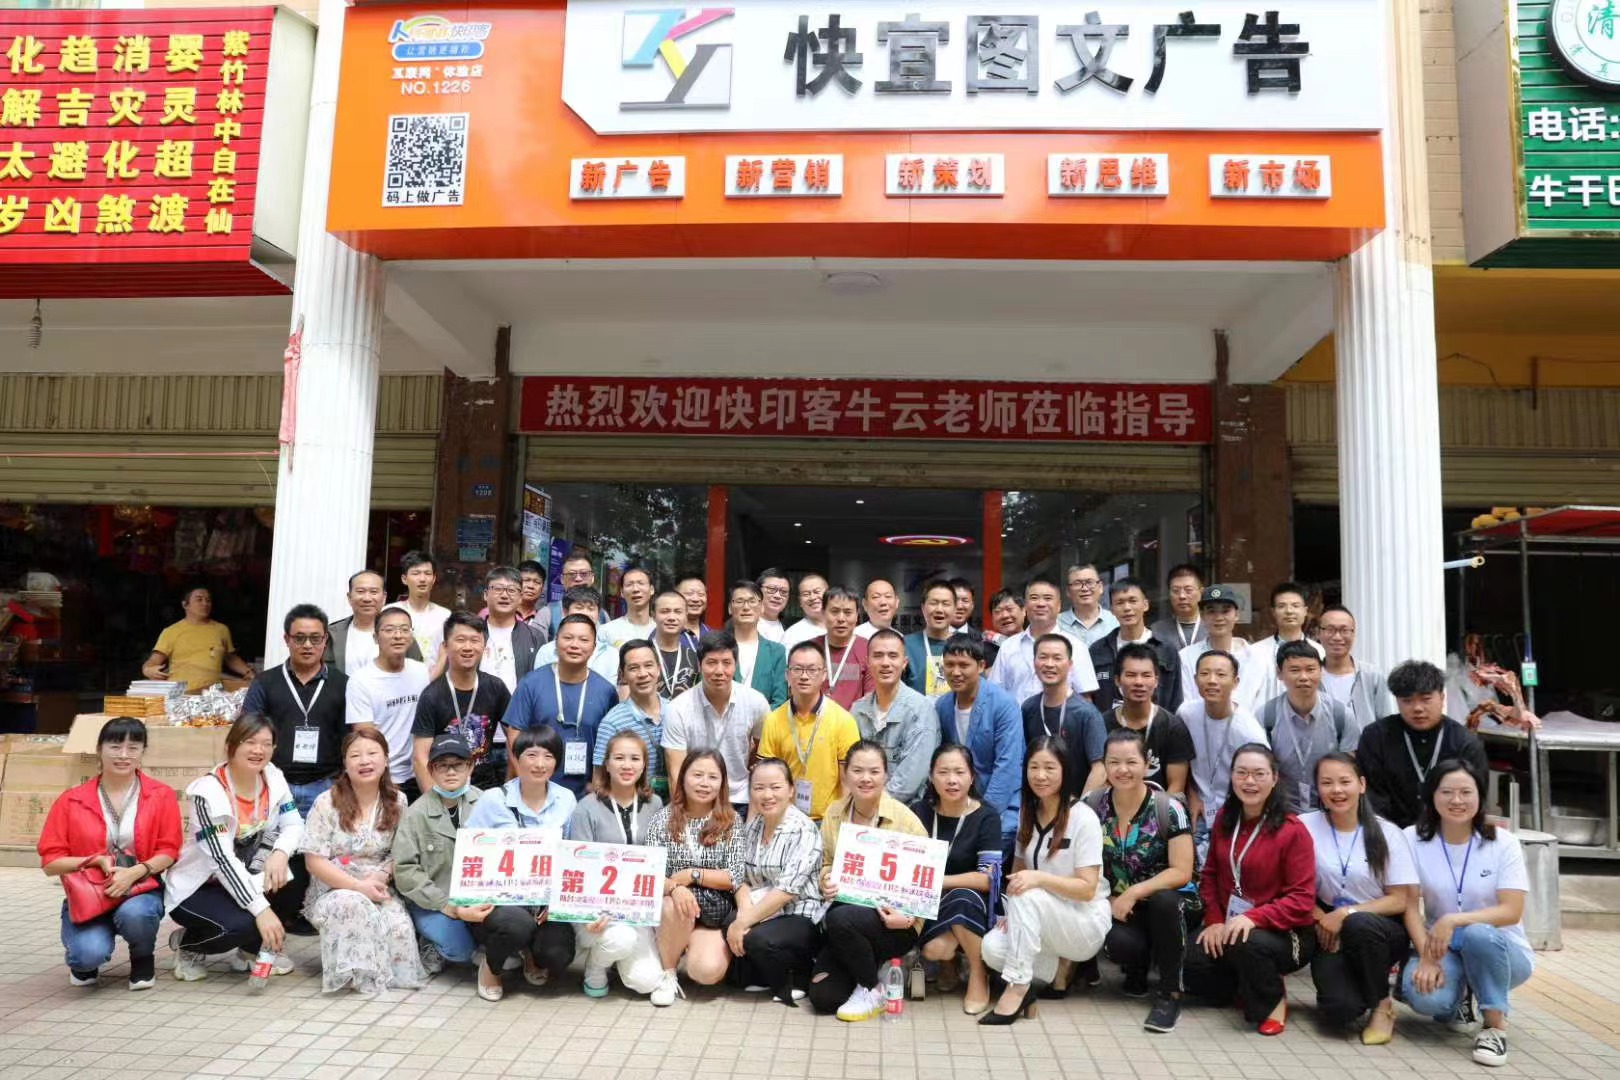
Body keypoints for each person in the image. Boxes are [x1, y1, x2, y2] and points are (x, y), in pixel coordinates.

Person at [1400, 761, 1535, 1068]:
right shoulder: (1412, 838)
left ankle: (1494, 1027)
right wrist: (1426, 955)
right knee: (1426, 998)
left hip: (1500, 949)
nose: (1456, 800)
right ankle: (1459, 997)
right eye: (1447, 792)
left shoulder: (1503, 843)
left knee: (1478, 933)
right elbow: (1408, 905)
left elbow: (1512, 911)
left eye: (1465, 792)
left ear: (1480, 796)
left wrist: (1453, 919)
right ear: (1432, 796)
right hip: (1442, 946)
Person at [1183, 743, 1316, 1035]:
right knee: (1191, 961)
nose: (1250, 781)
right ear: (1231, 777)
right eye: (1241, 773)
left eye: (1259, 774)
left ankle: (1272, 1001)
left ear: (1275, 778)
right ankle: (1246, 983)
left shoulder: (1293, 830)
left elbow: (1302, 900)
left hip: (1286, 933)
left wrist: (1253, 918)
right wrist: (1215, 921)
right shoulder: (1226, 818)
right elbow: (1210, 875)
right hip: (1231, 924)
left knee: (1247, 941)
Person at [38, 717, 180, 990]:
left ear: (143, 752)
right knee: (85, 957)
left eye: (133, 747)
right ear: (99, 749)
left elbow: (169, 850)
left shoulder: (160, 795)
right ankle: (85, 959)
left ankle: (142, 958)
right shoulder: (71, 800)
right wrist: (92, 860)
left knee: (137, 914)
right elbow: (50, 862)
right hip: (90, 893)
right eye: (115, 746)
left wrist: (135, 872)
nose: (123, 755)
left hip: (139, 888)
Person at [980, 738, 1112, 1025]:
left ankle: (1018, 987)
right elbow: (1017, 871)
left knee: (1028, 894)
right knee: (991, 947)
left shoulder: (1083, 818)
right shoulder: (1028, 812)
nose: (1040, 775)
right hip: (1040, 918)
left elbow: (1087, 889)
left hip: (1084, 921)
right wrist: (1010, 914)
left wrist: (1038, 878)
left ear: (1065, 771)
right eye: (1034, 767)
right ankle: (1058, 969)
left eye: (1050, 768)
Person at [166, 713, 305, 981]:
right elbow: (222, 861)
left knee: (298, 870)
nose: (258, 750)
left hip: (248, 875)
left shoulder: (273, 777)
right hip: (201, 887)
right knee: (244, 924)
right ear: (231, 745)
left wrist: (279, 853)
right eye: (250, 742)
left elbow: (294, 824)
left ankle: (250, 950)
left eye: (266, 744)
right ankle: (189, 944)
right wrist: (262, 910)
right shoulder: (207, 793)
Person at [808, 741, 927, 1020]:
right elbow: (826, 862)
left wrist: (909, 916)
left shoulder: (906, 821)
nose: (866, 778)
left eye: (874, 771)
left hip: (894, 923)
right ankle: (873, 968)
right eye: (858, 770)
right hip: (845, 919)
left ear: (886, 775)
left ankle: (873, 990)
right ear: (845, 774)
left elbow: (925, 881)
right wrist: (827, 879)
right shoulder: (834, 813)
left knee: (840, 919)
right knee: (824, 998)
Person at [1302, 753, 1416, 1044]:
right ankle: (1360, 990)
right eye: (1327, 783)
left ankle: (1382, 1005)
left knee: (1359, 924)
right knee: (1339, 1010)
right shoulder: (1304, 825)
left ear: (1362, 785)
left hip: (1379, 926)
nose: (1337, 790)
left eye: (1345, 781)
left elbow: (1399, 900)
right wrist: (1321, 918)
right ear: (1318, 788)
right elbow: (1291, 886)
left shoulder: (1388, 833)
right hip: (1325, 922)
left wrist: (1345, 914)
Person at [298, 729, 423, 995]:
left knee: (397, 926)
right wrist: (357, 886)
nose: (364, 761)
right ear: (345, 763)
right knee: (353, 906)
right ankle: (357, 976)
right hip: (335, 886)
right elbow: (314, 861)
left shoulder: (398, 800)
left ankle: (384, 976)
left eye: (372, 753)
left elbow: (401, 851)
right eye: (355, 755)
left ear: (386, 759)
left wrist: (382, 876)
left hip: (378, 884)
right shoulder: (326, 803)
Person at [1090, 728, 1197, 1033]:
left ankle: (1170, 994)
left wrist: (1135, 891)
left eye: (1131, 762)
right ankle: (1136, 968)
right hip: (1121, 905)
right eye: (1114, 762)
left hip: (1171, 903)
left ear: (1147, 763)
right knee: (1118, 944)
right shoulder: (1092, 806)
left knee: (1164, 902)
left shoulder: (1169, 808)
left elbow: (1181, 871)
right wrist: (1108, 897)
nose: (1122, 770)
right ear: (1105, 765)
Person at [464, 724, 579, 1000]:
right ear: (515, 758)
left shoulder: (566, 799)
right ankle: (491, 967)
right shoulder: (493, 800)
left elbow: (571, 855)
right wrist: (464, 902)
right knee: (517, 925)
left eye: (548, 756)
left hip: (544, 900)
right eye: (531, 755)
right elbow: (469, 851)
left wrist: (558, 901)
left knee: (558, 954)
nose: (540, 764)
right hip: (501, 900)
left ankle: (530, 953)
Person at [568, 730, 665, 999]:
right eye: (619, 758)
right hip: (595, 909)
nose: (627, 765)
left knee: (646, 981)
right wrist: (589, 914)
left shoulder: (654, 804)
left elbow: (658, 858)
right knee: (620, 939)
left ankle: (613, 958)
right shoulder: (586, 807)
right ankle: (596, 965)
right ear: (607, 764)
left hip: (635, 906)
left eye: (634, 758)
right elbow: (578, 866)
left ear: (644, 765)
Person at [647, 751, 748, 1006]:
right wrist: (674, 888)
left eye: (713, 777)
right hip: (673, 908)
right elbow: (651, 871)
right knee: (672, 904)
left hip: (712, 912)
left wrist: (694, 875)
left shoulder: (731, 821)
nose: (704, 783)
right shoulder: (662, 818)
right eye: (697, 775)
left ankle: (687, 943)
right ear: (683, 778)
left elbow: (735, 876)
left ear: (722, 783)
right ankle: (668, 973)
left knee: (705, 971)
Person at [909, 745, 1001, 1015]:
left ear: (972, 777)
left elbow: (988, 879)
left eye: (959, 772)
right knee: (934, 949)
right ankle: (948, 963)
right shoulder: (919, 812)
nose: (952, 780)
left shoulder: (986, 816)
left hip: (974, 902)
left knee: (962, 897)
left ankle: (978, 974)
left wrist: (941, 880)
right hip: (930, 902)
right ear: (931, 776)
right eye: (944, 772)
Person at [728, 758, 825, 1006]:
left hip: (798, 914)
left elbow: (786, 891)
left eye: (775, 787)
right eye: (759, 788)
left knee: (755, 938)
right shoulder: (754, 826)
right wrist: (743, 913)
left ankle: (798, 976)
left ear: (791, 790)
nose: (767, 795)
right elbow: (738, 875)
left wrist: (744, 922)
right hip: (763, 909)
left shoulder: (803, 829)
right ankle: (765, 975)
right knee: (728, 921)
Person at [393, 731, 492, 976]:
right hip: (434, 903)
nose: (450, 772)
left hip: (478, 897)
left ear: (470, 767)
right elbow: (405, 870)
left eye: (458, 764)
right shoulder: (415, 814)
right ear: (431, 770)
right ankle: (430, 940)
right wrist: (447, 905)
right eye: (442, 765)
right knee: (461, 951)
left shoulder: (488, 804)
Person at [242, 604, 349, 818]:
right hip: (273, 785)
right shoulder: (265, 682)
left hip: (327, 787)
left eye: (315, 638)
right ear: (287, 639)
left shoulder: (343, 684)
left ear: (325, 640)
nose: (307, 645)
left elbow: (350, 737)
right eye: (299, 638)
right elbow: (247, 732)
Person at [1356, 660, 1490, 829]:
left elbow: (1474, 797)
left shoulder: (1465, 743)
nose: (1417, 708)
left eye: (1426, 699)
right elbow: (1371, 796)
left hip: (1448, 832)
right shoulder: (1375, 737)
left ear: (1442, 698)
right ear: (1397, 701)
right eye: (1407, 701)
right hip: (1389, 833)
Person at [506, 613, 619, 799]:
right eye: (568, 638)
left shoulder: (606, 691)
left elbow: (612, 743)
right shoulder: (531, 684)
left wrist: (601, 785)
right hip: (536, 791)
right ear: (556, 642)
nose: (575, 645)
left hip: (588, 794)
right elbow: (514, 736)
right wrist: (526, 782)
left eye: (583, 640)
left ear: (594, 647)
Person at [663, 631, 772, 816]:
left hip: (740, 799)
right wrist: (683, 816)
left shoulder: (755, 702)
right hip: (695, 800)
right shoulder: (678, 708)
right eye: (711, 663)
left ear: (735, 665)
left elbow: (762, 753)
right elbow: (676, 771)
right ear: (699, 665)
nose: (719, 671)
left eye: (727, 663)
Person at [757, 641, 863, 821]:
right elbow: (766, 776)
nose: (804, 676)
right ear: (787, 675)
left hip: (828, 820)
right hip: (785, 818)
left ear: (824, 674)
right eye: (797, 669)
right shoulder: (773, 720)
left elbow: (848, 782)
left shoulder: (843, 720)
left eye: (812, 670)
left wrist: (843, 824)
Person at [411, 612, 512, 793]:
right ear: (445, 646)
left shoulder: (495, 688)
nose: (468, 647)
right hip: (445, 788)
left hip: (486, 790)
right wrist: (437, 802)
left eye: (474, 640)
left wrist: (510, 787)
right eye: (460, 640)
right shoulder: (432, 695)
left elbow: (517, 739)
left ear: (484, 646)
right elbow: (420, 757)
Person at [1256, 640, 1357, 812]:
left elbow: (1348, 768)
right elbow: (1259, 769)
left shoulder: (1340, 715)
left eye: (1310, 669)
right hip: (1282, 811)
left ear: (1321, 671)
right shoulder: (1266, 716)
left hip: (1329, 809)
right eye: (1295, 670)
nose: (1304, 677)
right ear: (1279, 673)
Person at [1178, 650, 1268, 835]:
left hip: (1237, 811)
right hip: (1195, 808)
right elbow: (1180, 760)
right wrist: (1192, 794)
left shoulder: (1249, 731)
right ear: (1195, 680)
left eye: (1220, 674)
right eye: (1205, 674)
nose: (1212, 680)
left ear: (1235, 682)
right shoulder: (1186, 714)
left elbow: (1263, 779)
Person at [347, 607, 431, 801]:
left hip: (418, 774)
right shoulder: (361, 681)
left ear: (411, 636)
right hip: (382, 778)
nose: (398, 636)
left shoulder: (420, 672)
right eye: (389, 630)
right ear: (375, 637)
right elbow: (365, 738)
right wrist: (382, 778)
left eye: (404, 629)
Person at [851, 628, 938, 803]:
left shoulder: (920, 710)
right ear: (868, 662)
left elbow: (910, 780)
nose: (885, 663)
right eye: (878, 656)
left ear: (904, 662)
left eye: (893, 656)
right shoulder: (858, 710)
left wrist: (873, 805)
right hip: (863, 807)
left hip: (907, 810)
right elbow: (852, 766)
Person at [1104, 644, 1196, 797]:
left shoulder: (1173, 727)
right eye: (1131, 675)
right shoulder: (1102, 724)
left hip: (1161, 807)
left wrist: (1152, 811)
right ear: (1117, 680)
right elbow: (1101, 778)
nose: (1139, 682)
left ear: (1156, 680)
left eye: (1146, 675)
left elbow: (1176, 785)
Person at [1022, 633, 1108, 796]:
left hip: (1076, 803)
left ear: (1070, 665)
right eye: (1043, 657)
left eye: (1057, 658)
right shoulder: (1028, 708)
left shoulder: (1086, 713)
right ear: (1034, 663)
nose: (1049, 664)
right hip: (1039, 802)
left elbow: (1100, 769)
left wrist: (1079, 806)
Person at [989, 577, 1099, 703]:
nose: (1040, 604)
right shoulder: (1008, 646)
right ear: (1025, 606)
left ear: (1059, 606)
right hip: (1015, 716)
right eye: (1034, 598)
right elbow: (994, 694)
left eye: (1048, 598)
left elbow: (1085, 699)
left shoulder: (1076, 646)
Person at [1090, 578, 1182, 713]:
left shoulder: (1166, 649)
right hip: (1109, 724)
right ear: (1112, 610)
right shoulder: (1098, 650)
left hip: (1157, 723)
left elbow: (1176, 700)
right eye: (1120, 602)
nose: (1127, 608)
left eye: (1132, 601)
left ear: (1145, 605)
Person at [142, 585, 253, 690]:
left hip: (212, 693)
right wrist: (147, 670)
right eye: (199, 599)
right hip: (181, 693)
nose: (205, 603)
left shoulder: (221, 630)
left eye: (208, 600)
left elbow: (229, 658)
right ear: (185, 605)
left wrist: (249, 672)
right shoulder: (171, 631)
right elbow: (154, 660)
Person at [593, 641, 668, 795]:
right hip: (632, 804)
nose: (642, 674)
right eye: (634, 668)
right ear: (623, 675)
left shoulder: (676, 712)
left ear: (659, 669)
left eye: (648, 665)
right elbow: (599, 781)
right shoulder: (612, 723)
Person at [1177, 584, 1259, 713]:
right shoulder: (1186, 657)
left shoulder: (1256, 657)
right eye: (1211, 611)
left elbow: (1260, 705)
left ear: (1236, 615)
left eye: (1225, 611)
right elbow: (1187, 705)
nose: (1219, 618)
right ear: (1202, 616)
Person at [1245, 582, 1326, 710]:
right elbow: (1245, 697)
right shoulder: (1254, 652)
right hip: (1265, 720)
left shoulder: (1319, 651)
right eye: (1282, 606)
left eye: (1295, 606)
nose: (1289, 611)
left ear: (1305, 611)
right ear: (1273, 612)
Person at [1317, 605, 1395, 735]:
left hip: (1366, 747)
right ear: (1319, 633)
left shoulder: (1371, 675)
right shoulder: (1311, 676)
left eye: (1344, 630)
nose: (1337, 637)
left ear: (1353, 634)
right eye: (1330, 630)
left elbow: (1385, 720)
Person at [327, 570, 422, 674]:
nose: (367, 598)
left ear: (384, 597)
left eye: (374, 592)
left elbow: (417, 672)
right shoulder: (332, 634)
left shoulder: (402, 635)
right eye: (360, 591)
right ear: (349, 597)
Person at [533, 588, 621, 681]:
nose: (585, 613)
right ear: (566, 612)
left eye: (591, 609)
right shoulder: (547, 651)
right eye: (579, 608)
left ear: (598, 614)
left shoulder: (610, 654)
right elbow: (540, 684)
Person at [480, 566, 545, 692]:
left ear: (520, 597)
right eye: (498, 589)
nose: (505, 595)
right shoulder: (473, 633)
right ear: (486, 595)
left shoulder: (535, 637)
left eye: (511, 590)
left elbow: (540, 681)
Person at [385, 550, 451, 671]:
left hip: (434, 679)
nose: (422, 579)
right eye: (416, 573)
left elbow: (447, 654)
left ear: (434, 579)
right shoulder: (390, 612)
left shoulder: (445, 615)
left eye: (427, 573)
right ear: (404, 579)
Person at [727, 580, 788, 708]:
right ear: (730, 608)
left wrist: (760, 719)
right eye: (739, 601)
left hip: (764, 719)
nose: (746, 607)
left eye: (752, 601)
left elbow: (780, 700)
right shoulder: (717, 648)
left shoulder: (776, 652)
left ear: (762, 608)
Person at [812, 585, 872, 709]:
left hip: (854, 720)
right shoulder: (809, 649)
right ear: (823, 613)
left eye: (848, 612)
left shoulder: (869, 650)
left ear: (857, 615)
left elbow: (871, 699)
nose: (841, 619)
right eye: (834, 611)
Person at [903, 579, 960, 696]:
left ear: (955, 609)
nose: (939, 609)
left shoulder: (966, 645)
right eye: (933, 603)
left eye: (946, 604)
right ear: (923, 608)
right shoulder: (905, 645)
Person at [650, 590, 699, 700]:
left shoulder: (694, 657)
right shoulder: (639, 653)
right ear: (653, 615)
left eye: (678, 612)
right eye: (665, 611)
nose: (671, 617)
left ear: (686, 616)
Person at [544, 553, 606, 634]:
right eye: (571, 574)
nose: (578, 579)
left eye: (584, 574)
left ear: (592, 578)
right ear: (562, 579)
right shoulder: (548, 613)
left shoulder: (603, 615)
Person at [1060, 563, 1119, 647]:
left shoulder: (1116, 621)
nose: (1084, 588)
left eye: (1089, 582)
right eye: (1077, 583)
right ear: (1068, 591)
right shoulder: (1056, 624)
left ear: (1101, 587)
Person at [1151, 564, 1208, 650]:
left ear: (1201, 592)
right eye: (1175, 591)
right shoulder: (1157, 631)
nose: (1182, 596)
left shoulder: (1213, 627)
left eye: (1188, 590)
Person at [601, 566, 656, 648]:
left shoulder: (662, 629)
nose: (635, 589)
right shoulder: (607, 631)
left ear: (651, 590)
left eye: (641, 583)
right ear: (622, 592)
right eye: (629, 584)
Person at [782, 573, 829, 650]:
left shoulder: (843, 626)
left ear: (829, 595)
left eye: (817, 592)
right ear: (800, 602)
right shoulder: (793, 634)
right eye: (806, 594)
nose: (812, 597)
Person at [756, 567, 791, 643]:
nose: (777, 596)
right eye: (771, 589)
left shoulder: (791, 630)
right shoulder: (744, 625)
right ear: (758, 591)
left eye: (783, 592)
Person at [516, 559, 549, 631]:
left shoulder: (545, 619)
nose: (531, 586)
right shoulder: (503, 613)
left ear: (542, 588)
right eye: (526, 580)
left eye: (537, 582)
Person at [676, 575, 708, 645]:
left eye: (701, 594)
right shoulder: (666, 634)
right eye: (689, 594)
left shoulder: (712, 634)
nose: (696, 599)